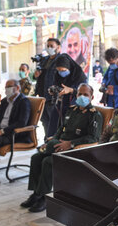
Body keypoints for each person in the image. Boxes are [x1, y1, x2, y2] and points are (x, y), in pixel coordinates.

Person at [22, 83, 102, 213]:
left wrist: (70, 144)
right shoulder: (72, 111)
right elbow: (61, 129)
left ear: (92, 97)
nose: (82, 97)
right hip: (59, 146)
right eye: (80, 94)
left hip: (75, 151)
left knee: (47, 161)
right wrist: (53, 139)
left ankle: (43, 197)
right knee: (36, 158)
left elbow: (93, 139)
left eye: (85, 94)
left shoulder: (95, 115)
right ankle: (36, 193)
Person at [34, 38, 62, 138]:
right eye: (48, 46)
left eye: (52, 46)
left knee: (53, 121)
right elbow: (38, 75)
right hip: (42, 95)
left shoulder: (61, 60)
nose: (49, 48)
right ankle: (47, 140)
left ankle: (53, 142)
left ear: (58, 47)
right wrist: (36, 75)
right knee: (44, 120)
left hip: (53, 96)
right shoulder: (45, 60)